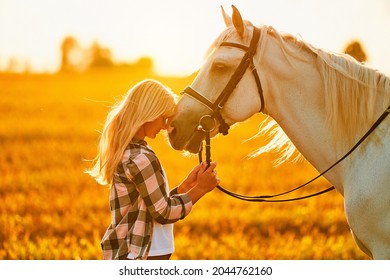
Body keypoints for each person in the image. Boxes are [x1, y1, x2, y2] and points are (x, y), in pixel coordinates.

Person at [87, 79, 219, 260]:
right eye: (164, 118)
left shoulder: (135, 152)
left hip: (139, 252)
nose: (166, 127)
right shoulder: (141, 158)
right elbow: (163, 213)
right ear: (149, 114)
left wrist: (185, 187)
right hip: (142, 254)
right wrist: (200, 189)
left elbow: (150, 205)